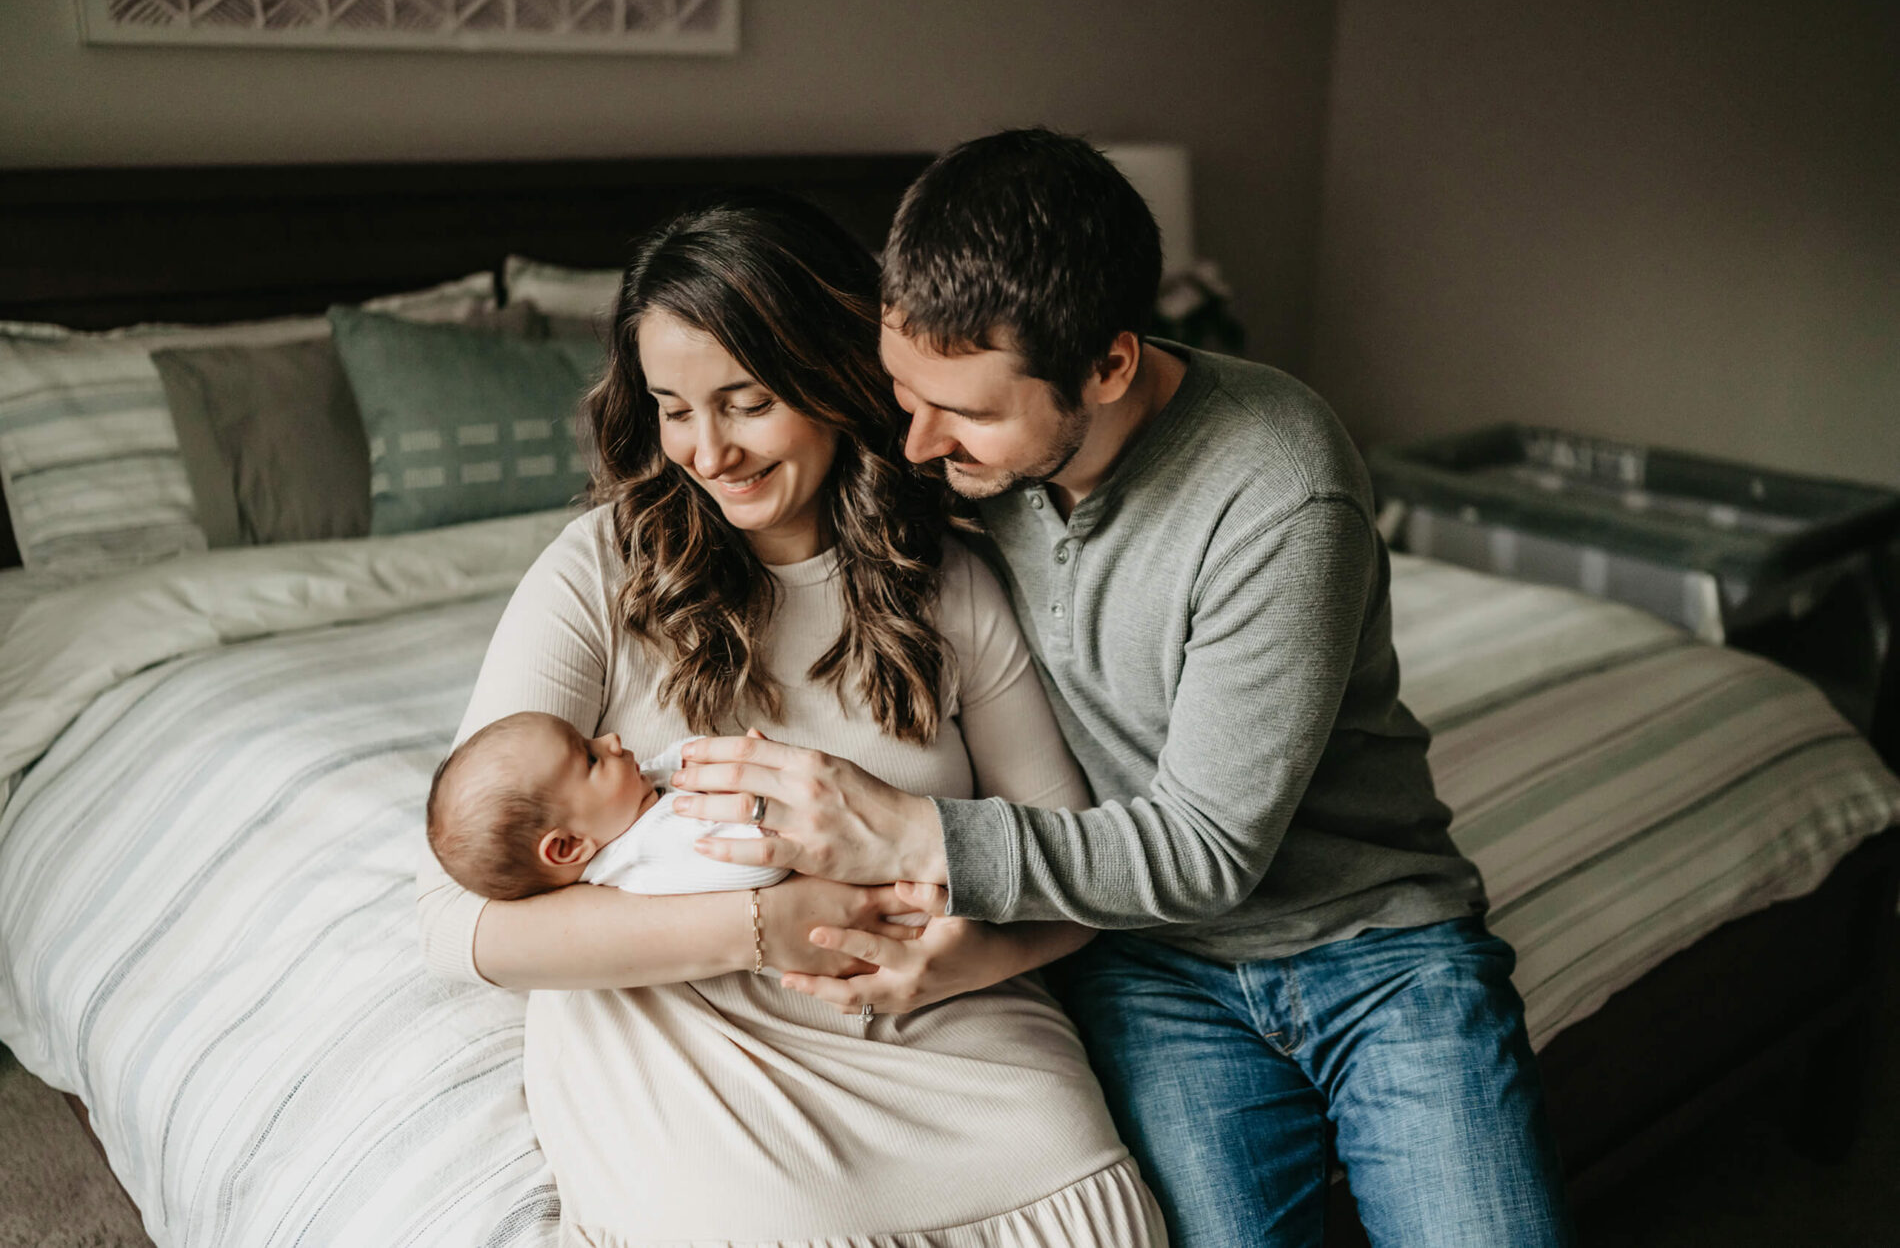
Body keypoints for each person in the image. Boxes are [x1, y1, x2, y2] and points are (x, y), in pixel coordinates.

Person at [678, 130, 1577, 1247]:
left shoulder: (1280, 485)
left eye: (964, 412)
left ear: (1107, 365)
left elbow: (1206, 854)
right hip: (1142, 959)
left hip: (1375, 942)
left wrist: (920, 837)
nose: (913, 444)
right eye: (904, 390)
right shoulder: (940, 442)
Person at [413, 190, 1166, 1246]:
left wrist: (964, 962)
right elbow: (457, 924)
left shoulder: (942, 579)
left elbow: (1073, 864)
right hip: (690, 1028)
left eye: (746, 400)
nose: (706, 450)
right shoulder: (598, 571)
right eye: (673, 409)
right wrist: (765, 924)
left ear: (830, 377)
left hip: (937, 1017)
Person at [424, 711, 789, 900]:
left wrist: (706, 760)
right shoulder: (645, 850)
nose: (610, 740)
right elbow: (759, 869)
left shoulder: (627, 808)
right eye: (590, 759)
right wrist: (767, 813)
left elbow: (669, 764)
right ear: (568, 845)